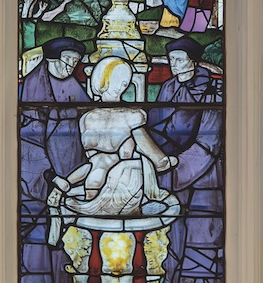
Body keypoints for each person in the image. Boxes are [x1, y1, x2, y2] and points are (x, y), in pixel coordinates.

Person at [50, 55, 177, 226]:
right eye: (121, 80)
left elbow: (91, 165)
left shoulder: (86, 119)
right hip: (123, 192)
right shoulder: (131, 116)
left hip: (93, 186)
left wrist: (63, 185)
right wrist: (167, 162)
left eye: (125, 81)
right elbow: (158, 160)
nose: (123, 85)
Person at [149, 37, 224, 283]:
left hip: (204, 174)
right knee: (175, 231)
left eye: (179, 60)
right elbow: (156, 125)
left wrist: (176, 169)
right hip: (172, 170)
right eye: (171, 60)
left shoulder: (213, 90)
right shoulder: (169, 87)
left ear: (193, 61)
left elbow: (210, 138)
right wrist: (157, 160)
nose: (174, 65)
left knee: (202, 231)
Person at [19, 36, 89, 283]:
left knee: (65, 231)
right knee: (39, 231)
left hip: (72, 172)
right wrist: (49, 177)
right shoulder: (34, 90)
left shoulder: (72, 85)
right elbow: (28, 140)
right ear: (50, 60)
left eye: (75, 61)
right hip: (41, 176)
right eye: (67, 60)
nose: (71, 65)